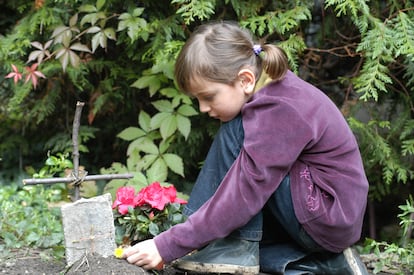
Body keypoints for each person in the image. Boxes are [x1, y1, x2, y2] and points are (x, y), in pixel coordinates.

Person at [122, 21, 369, 274]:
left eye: (208, 97)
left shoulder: (279, 109)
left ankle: (233, 248)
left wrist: (168, 245)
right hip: (318, 215)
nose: (203, 108)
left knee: (237, 132)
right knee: (236, 130)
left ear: (246, 79)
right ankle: (324, 264)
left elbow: (245, 192)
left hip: (325, 217)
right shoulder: (268, 93)